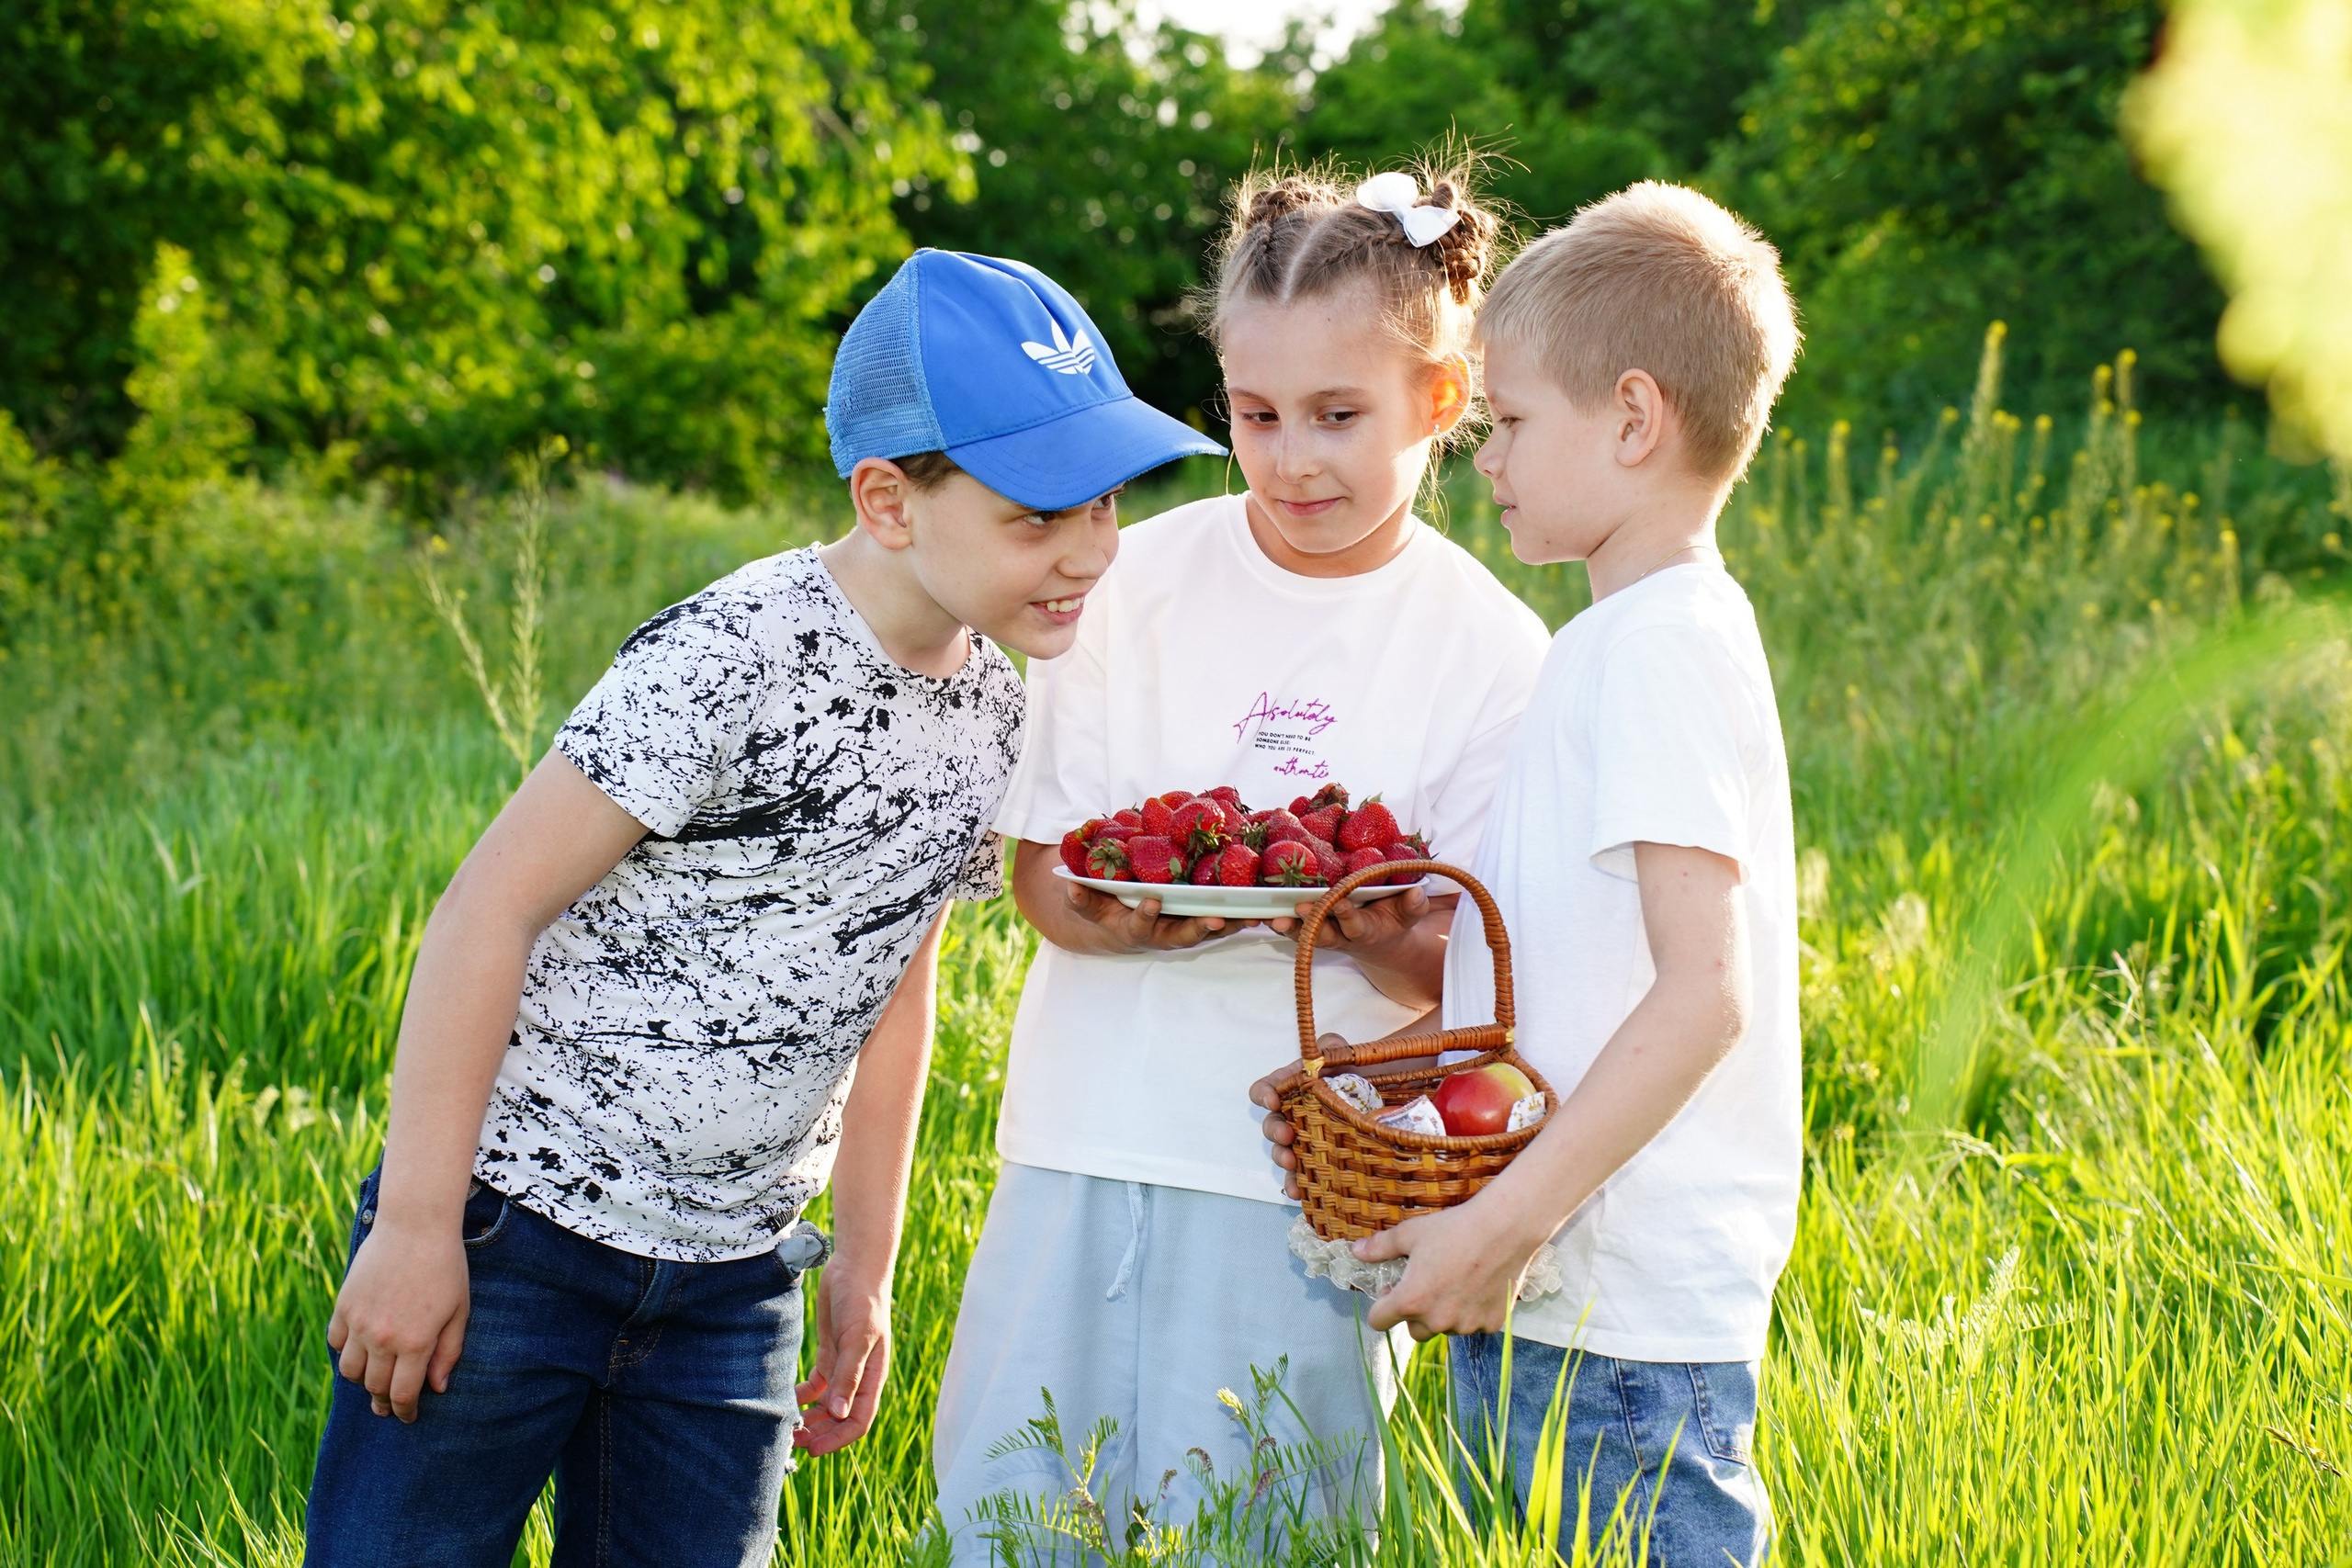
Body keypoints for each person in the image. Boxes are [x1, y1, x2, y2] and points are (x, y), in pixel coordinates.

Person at [300, 249, 1220, 1568]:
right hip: (516, 1237)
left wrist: (864, 1258)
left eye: (1106, 505)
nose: (1089, 553)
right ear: (890, 500)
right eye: (1038, 516)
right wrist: (413, 1231)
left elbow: (898, 983)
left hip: (735, 1281)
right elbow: (484, 914)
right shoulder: (731, 655)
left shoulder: (994, 711)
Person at [930, 164, 1552, 1560]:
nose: (1291, 459)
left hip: (1306, 1178)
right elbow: (1048, 879)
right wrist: (1120, 920)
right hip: (1087, 1130)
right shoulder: (1127, 579)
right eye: (1255, 415)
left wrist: (1363, 930)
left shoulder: (1493, 651)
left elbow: (1470, 973)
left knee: (1266, 1528)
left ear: (1441, 404)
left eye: (1340, 417)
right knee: (1027, 1518)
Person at [1255, 182, 1803, 1565]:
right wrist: (1393, 1071)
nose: (1486, 458)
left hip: (1616, 1323)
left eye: (1508, 423)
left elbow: (1702, 995)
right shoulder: (1616, 642)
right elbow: (1569, 979)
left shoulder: (1660, 647)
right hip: (1565, 1298)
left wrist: (1501, 1224)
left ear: (1631, 418)